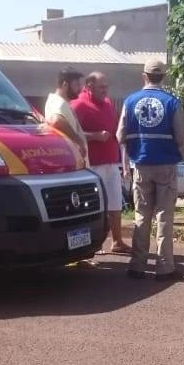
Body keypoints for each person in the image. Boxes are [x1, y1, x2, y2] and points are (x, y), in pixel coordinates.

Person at [116, 60, 184, 281]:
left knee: (141, 215)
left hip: (141, 165)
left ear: (144, 76)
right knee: (164, 216)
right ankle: (164, 268)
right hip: (165, 165)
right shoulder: (172, 102)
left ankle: (137, 265)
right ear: (164, 77)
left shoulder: (130, 101)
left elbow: (119, 135)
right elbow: (182, 137)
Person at [71, 71, 132, 255]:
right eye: (101, 87)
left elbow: (115, 128)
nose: (105, 90)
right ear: (89, 86)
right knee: (92, 207)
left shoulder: (107, 103)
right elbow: (71, 133)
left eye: (106, 87)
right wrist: (95, 136)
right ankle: (87, 246)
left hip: (111, 161)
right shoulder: (78, 104)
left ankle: (117, 241)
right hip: (92, 164)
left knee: (115, 203)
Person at [44, 67, 88, 164]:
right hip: (69, 162)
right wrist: (78, 140)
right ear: (65, 85)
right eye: (76, 85)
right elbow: (57, 120)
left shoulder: (63, 103)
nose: (80, 88)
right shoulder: (57, 102)